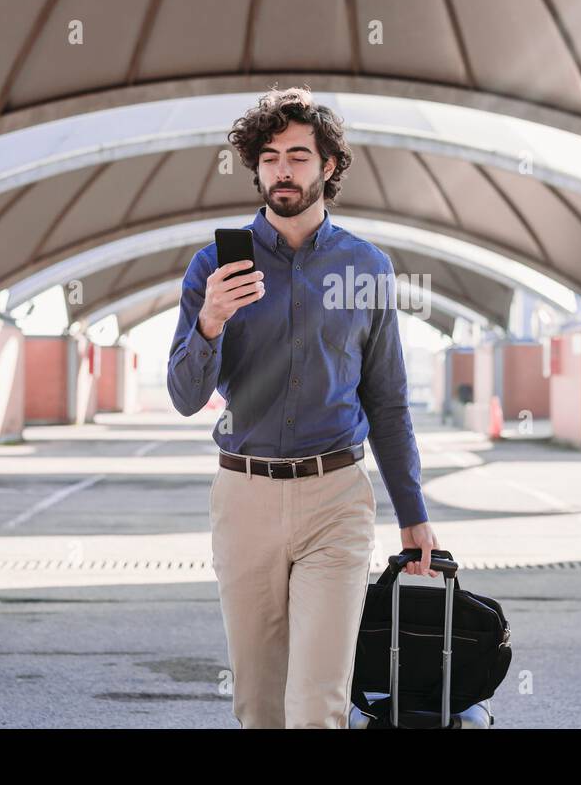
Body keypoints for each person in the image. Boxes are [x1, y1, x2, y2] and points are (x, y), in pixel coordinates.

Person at [167, 85, 439, 728]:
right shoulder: (212, 266)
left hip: (336, 497)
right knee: (259, 705)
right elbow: (183, 397)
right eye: (268, 157)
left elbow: (388, 400)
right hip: (245, 496)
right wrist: (209, 323)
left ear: (329, 167)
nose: (281, 170)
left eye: (296, 155)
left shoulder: (366, 267)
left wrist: (414, 514)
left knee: (317, 703)